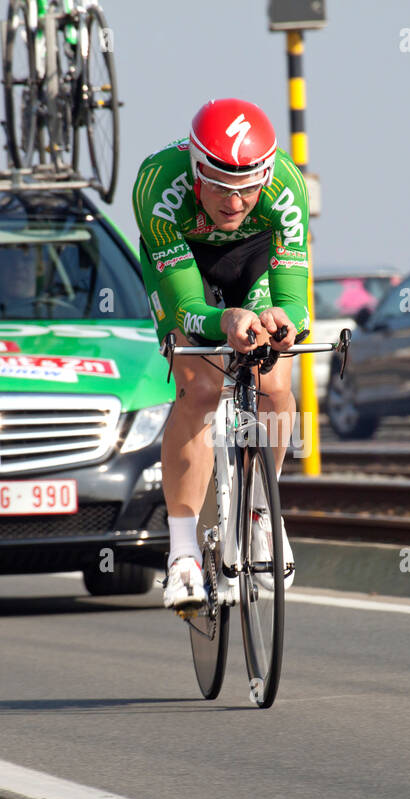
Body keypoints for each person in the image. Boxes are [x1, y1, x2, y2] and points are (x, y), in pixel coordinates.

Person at [132, 98, 311, 612]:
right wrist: (223, 320)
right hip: (186, 264)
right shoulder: (157, 185)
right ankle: (183, 551)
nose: (235, 204)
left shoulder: (286, 187)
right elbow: (188, 305)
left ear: (266, 175)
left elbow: (294, 296)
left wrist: (285, 322)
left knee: (276, 384)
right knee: (201, 388)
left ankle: (261, 512)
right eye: (221, 189)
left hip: (255, 261)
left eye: (248, 189)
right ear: (195, 172)